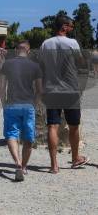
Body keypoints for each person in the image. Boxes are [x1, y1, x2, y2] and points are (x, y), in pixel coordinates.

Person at [39, 15, 89, 173]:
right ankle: (75, 159)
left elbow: (41, 65)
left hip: (52, 89)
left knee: (52, 126)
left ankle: (54, 165)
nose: (72, 29)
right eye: (71, 26)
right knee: (74, 126)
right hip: (70, 89)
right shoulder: (72, 43)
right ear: (64, 27)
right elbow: (80, 62)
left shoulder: (46, 44)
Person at [0, 40, 43, 181]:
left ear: (16, 50)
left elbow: (2, 86)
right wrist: (35, 104)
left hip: (12, 103)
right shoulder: (35, 66)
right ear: (28, 51)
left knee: (12, 134)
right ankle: (23, 167)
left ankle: (17, 162)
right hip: (28, 104)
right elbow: (39, 90)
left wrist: (3, 102)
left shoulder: (7, 64)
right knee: (28, 138)